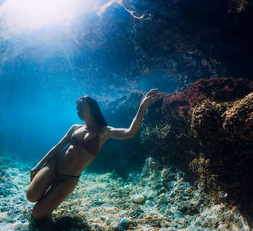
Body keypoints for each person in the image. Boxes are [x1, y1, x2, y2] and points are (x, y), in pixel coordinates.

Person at [26, 89, 158, 219]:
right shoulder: (75, 128)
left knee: (37, 214)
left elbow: (130, 132)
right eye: (77, 108)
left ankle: (48, 204)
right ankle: (46, 196)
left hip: (68, 179)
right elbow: (57, 148)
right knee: (31, 196)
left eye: (80, 107)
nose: (78, 110)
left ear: (91, 107)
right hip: (53, 166)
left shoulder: (104, 132)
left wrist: (142, 107)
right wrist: (38, 166)